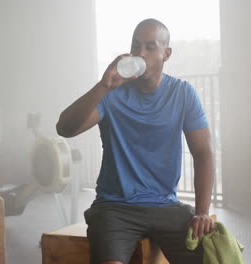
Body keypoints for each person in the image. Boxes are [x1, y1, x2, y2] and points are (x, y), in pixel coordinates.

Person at [56, 18, 215, 264]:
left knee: (214, 256)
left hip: (165, 206)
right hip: (114, 207)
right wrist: (103, 85)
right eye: (136, 45)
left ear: (166, 53)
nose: (140, 53)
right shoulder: (112, 95)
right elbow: (64, 129)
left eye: (150, 47)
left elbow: (203, 153)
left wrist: (202, 212)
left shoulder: (182, 94)